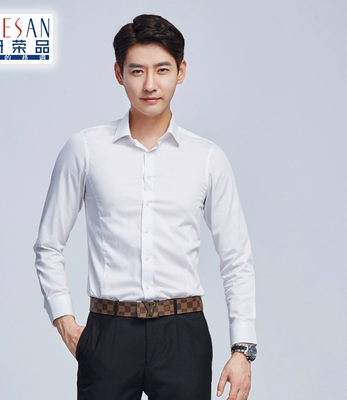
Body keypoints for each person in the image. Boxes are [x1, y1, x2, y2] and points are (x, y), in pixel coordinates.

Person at [34, 14, 257, 400]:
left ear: (181, 72)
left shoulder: (207, 158)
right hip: (109, 331)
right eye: (137, 71)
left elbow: (236, 258)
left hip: (183, 334)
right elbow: (48, 245)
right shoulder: (85, 150)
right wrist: (64, 321)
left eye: (162, 70)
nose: (150, 84)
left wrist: (243, 349)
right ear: (119, 73)